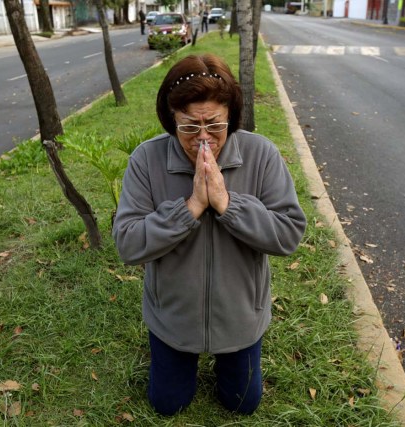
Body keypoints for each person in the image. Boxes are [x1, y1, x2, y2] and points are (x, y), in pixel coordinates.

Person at [112, 54, 306, 416]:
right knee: (168, 404)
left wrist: (227, 203)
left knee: (243, 404)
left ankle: (230, 357)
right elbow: (127, 242)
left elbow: (289, 233)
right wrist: (190, 208)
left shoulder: (260, 154)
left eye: (214, 125)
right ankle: (172, 355)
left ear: (230, 116)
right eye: (189, 127)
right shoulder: (146, 159)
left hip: (240, 317)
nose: (203, 139)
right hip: (173, 318)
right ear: (172, 120)